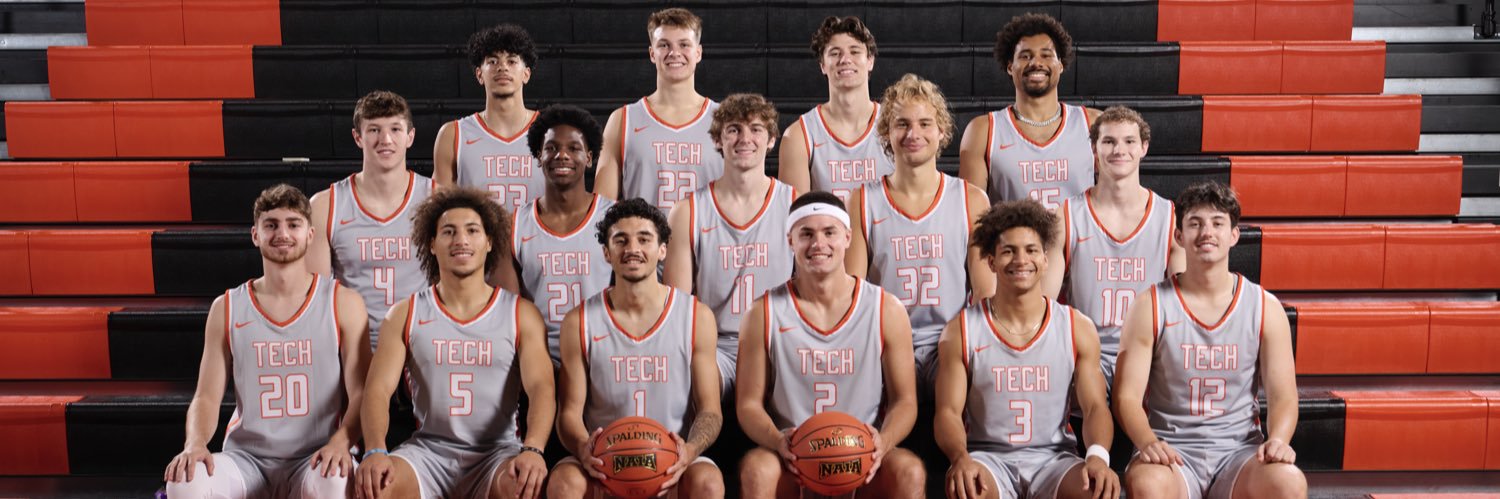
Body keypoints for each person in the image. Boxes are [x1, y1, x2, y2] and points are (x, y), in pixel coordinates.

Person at [164, 184, 371, 498]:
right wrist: (194, 444)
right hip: (247, 459)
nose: (282, 233)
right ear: (255, 235)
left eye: (293, 224)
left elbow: (361, 394)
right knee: (184, 482)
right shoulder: (228, 307)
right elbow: (206, 397)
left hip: (315, 455)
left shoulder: (342, 302)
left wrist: (342, 442)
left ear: (310, 234)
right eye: (271, 225)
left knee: (336, 481)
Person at [1113, 181, 1306, 499]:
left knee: (1288, 482)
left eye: (1218, 223)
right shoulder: (1149, 304)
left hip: (1240, 453)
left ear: (1234, 235)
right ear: (1179, 236)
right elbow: (1126, 398)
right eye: (1195, 223)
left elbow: (1284, 395)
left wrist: (1279, 439)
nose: (1207, 233)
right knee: (1147, 484)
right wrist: (1147, 442)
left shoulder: (1264, 307)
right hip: (1172, 451)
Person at [356, 188, 553, 499]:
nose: (461, 239)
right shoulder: (406, 312)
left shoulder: (520, 314)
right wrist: (375, 449)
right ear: (432, 244)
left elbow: (542, 387)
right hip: (429, 450)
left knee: (522, 485)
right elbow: (378, 389)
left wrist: (534, 448)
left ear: (489, 242)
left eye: (472, 230)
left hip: (496, 453)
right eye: (449, 231)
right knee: (378, 486)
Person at [736, 191, 925, 499]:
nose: (818, 244)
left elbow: (905, 401)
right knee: (756, 468)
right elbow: (748, 404)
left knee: (910, 470)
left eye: (829, 232)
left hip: (861, 453)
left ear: (848, 237)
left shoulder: (885, 308)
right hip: (795, 455)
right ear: (790, 240)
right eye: (806, 234)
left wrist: (884, 441)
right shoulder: (762, 312)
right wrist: (777, 440)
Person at [933, 199, 1119, 499]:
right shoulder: (961, 330)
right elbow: (948, 412)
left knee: (1097, 489)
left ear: (1045, 259)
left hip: (1054, 459)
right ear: (991, 261)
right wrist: (960, 458)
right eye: (1008, 251)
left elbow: (1095, 406)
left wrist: (1097, 456)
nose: (1021, 260)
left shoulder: (1076, 328)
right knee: (968, 490)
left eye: (1031, 250)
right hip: (989, 458)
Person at [548, 198, 725, 498]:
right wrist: (583, 447)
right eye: (621, 240)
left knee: (708, 480)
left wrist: (690, 450)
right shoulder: (579, 321)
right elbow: (569, 413)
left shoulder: (696, 316)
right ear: (606, 252)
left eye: (644, 239)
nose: (633, 249)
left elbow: (710, 411)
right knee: (564, 481)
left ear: (662, 250)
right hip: (605, 462)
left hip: (670, 461)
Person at [847, 74, 993, 388]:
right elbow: (854, 295)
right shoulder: (861, 200)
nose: (914, 133)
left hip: (951, 341)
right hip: (885, 341)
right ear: (886, 132)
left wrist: (971, 348)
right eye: (902, 124)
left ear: (942, 131)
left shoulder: (971, 200)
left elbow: (985, 293)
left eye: (925, 123)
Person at [1041, 106, 1184, 384]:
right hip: (1085, 353)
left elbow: (1181, 303)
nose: (1119, 150)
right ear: (1094, 148)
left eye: (1129, 141)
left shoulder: (1170, 216)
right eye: (1109, 141)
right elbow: (1045, 303)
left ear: (1144, 147)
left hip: (1147, 353)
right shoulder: (1067, 215)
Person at [665, 93, 795, 394]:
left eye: (756, 129)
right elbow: (679, 308)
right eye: (734, 129)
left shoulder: (793, 205)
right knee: (678, 373)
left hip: (779, 341)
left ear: (772, 139)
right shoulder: (688, 211)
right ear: (718, 140)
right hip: (715, 346)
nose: (744, 138)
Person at [309, 90, 434, 349]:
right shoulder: (325, 205)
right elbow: (317, 300)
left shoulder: (436, 198)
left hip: (422, 342)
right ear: (358, 137)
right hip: (356, 347)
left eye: (395, 129)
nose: (385, 139)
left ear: (410, 137)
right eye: (374, 130)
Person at [493, 104, 615, 364]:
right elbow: (508, 314)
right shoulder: (513, 225)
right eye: (551, 148)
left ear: (590, 158)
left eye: (573, 148)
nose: (561, 155)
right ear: (538, 156)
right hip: (538, 359)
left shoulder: (614, 219)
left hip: (602, 356)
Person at [958, 13, 1099, 210]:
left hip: (1078, 241)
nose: (1036, 62)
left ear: (1061, 64)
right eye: (1025, 56)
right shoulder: (983, 130)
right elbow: (971, 217)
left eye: (1046, 55)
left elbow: (1115, 200)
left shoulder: (1093, 123)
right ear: (1009, 67)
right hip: (1011, 241)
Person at [594, 7, 724, 212]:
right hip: (643, 242)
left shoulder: (724, 119)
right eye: (664, 45)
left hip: (706, 242)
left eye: (684, 44)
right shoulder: (623, 119)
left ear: (698, 53)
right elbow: (602, 209)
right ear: (652, 53)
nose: (674, 53)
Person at [778, 16, 893, 202]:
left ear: (870, 60)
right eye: (835, 53)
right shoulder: (799, 135)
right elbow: (798, 219)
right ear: (822, 65)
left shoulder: (894, 125)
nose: (845, 59)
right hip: (827, 230)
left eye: (855, 51)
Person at [434, 23, 544, 216]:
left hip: (536, 244)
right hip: (479, 245)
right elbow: (440, 212)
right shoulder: (453, 135)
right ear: (479, 74)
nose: (502, 67)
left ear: (526, 73)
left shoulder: (550, 130)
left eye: (511, 61)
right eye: (492, 61)